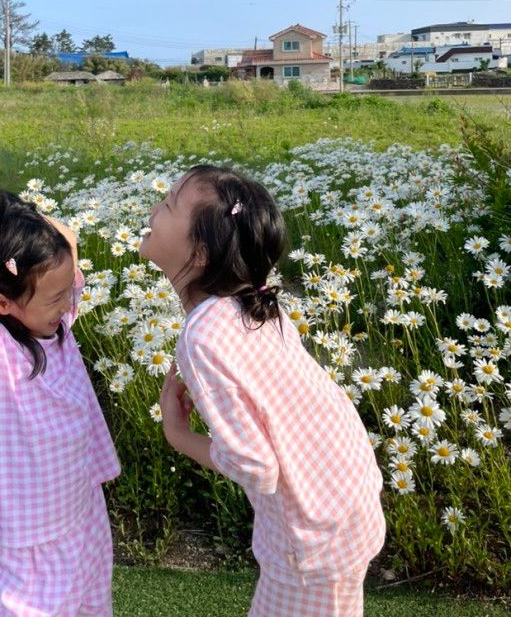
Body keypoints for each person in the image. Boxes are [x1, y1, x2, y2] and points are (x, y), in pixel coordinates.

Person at [140, 164, 385, 617]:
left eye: (169, 204)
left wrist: (177, 434)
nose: (155, 208)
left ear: (198, 254)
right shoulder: (252, 306)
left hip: (311, 532)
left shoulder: (203, 336)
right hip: (346, 499)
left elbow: (256, 466)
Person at [0, 171, 120, 617]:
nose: (69, 302)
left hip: (84, 515)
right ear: (0, 303)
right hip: (29, 536)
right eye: (57, 298)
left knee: (92, 606)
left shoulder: (56, 325)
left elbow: (66, 238)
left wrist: (2, 207)